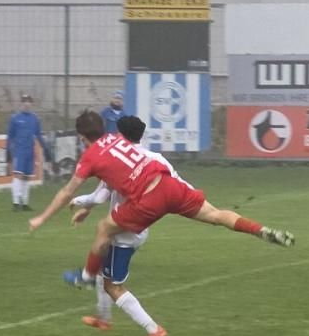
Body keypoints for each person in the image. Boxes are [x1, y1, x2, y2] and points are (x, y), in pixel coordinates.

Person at [29, 110, 293, 292]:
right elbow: (113, 178)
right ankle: (260, 230)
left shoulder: (92, 155)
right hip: (169, 185)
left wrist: (42, 217)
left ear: (82, 138)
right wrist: (87, 205)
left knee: (103, 230)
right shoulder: (119, 142)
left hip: (147, 201)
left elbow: (68, 192)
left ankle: (87, 277)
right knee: (216, 215)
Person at [69, 116, 171, 336]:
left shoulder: (119, 158)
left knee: (111, 285)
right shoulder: (150, 157)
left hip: (125, 230)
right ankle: (103, 318)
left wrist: (77, 201)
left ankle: (153, 329)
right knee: (102, 270)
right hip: (136, 225)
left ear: (120, 135)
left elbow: (99, 195)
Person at [6, 93, 52, 211]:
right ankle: (16, 203)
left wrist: (46, 152)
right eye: (24, 102)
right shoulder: (15, 118)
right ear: (21, 104)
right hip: (19, 151)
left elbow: (39, 136)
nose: (26, 104)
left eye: (28, 102)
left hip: (30, 152)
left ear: (31, 104)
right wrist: (8, 155)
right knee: (18, 175)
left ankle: (25, 203)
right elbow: (10, 137)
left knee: (26, 177)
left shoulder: (35, 119)